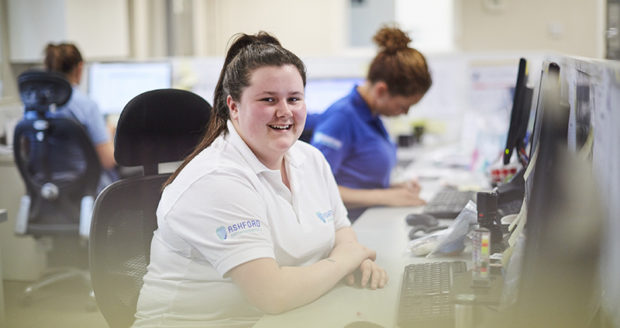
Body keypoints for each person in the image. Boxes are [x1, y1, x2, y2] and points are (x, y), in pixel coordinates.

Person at [132, 32, 387, 327]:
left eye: (294, 98)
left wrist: (353, 257)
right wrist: (346, 261)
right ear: (234, 106)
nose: (285, 111)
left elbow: (341, 230)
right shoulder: (216, 179)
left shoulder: (310, 159)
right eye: (268, 99)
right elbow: (273, 294)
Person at [310, 25, 432, 221]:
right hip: (345, 227)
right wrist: (384, 196)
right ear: (381, 90)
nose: (405, 113)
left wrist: (395, 189)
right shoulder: (341, 118)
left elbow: (358, 180)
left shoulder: (372, 117)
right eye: (403, 105)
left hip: (368, 219)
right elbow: (316, 189)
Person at [40, 42, 118, 190]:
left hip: (47, 192)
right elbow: (108, 160)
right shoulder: (86, 105)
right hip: (86, 196)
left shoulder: (34, 105)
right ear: (79, 68)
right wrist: (108, 134)